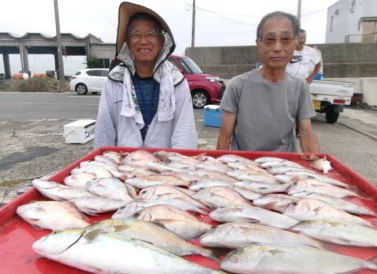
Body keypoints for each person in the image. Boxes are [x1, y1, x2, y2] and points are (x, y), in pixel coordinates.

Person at [94, 2, 198, 149]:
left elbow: (184, 133)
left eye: (150, 34)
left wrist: (178, 167)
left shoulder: (177, 81)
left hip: (165, 166)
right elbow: (104, 131)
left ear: (162, 42)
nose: (143, 41)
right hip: (125, 166)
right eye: (136, 34)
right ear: (128, 42)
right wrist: (104, 166)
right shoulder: (115, 80)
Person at [216, 11, 320, 153]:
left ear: (295, 43)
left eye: (286, 39)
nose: (277, 48)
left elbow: (306, 132)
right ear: (259, 44)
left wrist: (317, 166)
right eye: (270, 40)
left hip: (285, 168)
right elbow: (225, 136)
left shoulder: (300, 87)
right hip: (244, 168)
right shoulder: (238, 85)